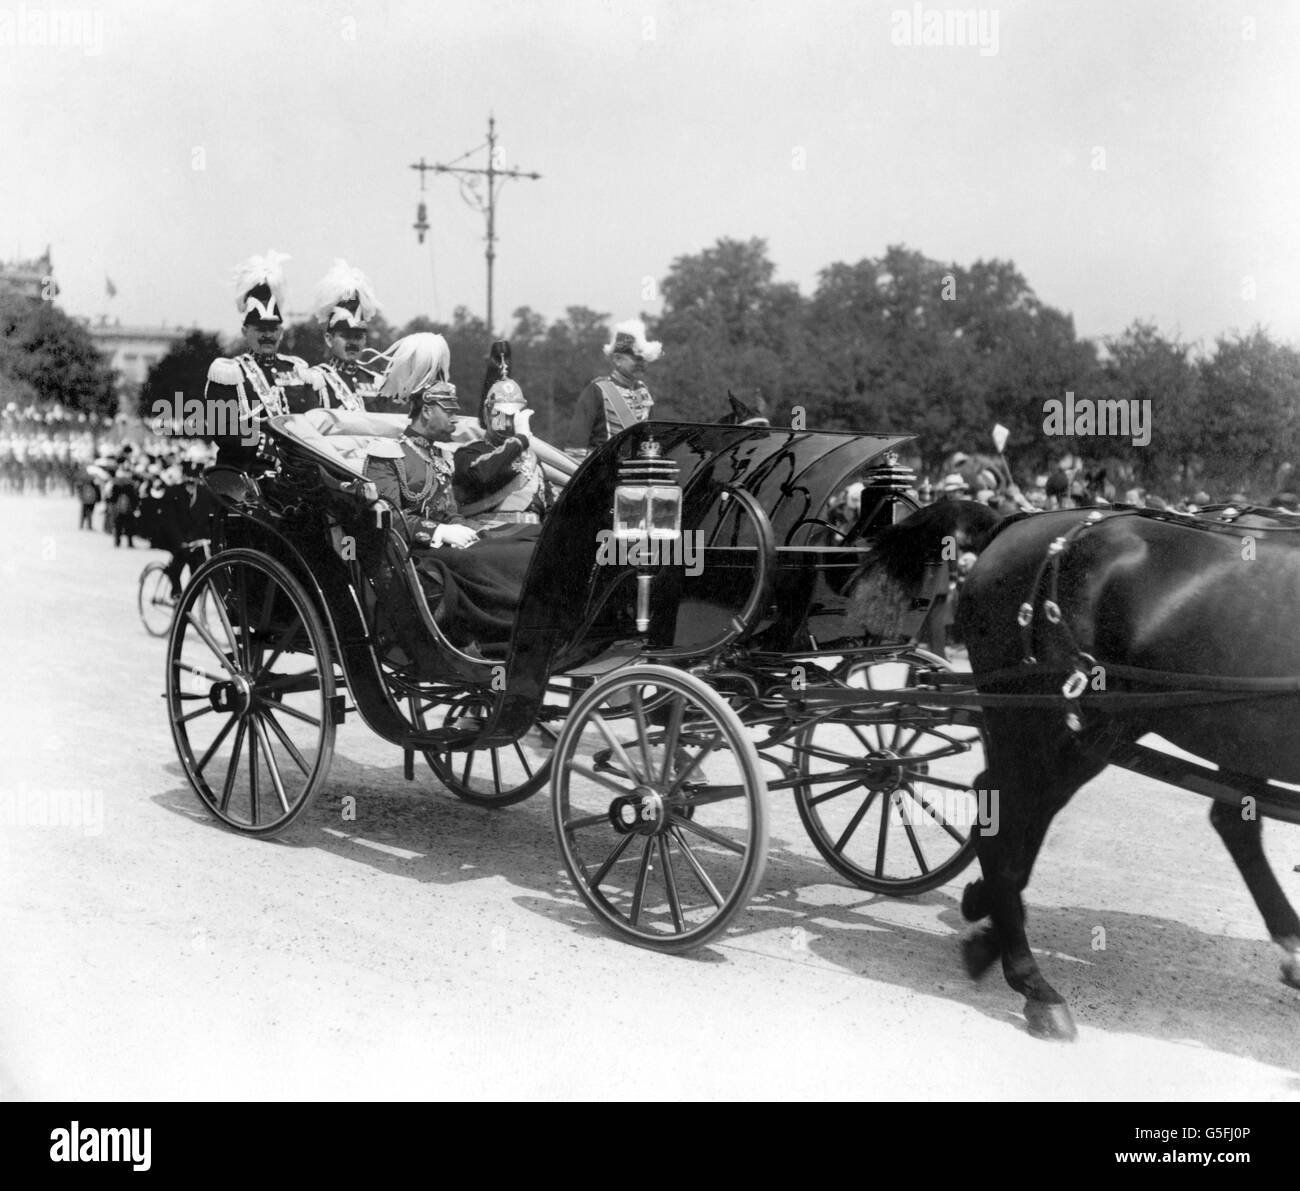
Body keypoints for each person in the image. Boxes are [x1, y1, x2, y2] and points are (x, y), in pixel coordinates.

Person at [361, 335, 538, 647]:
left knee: (525, 543)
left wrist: (460, 528)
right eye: (448, 407)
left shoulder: (439, 457)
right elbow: (388, 519)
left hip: (448, 545)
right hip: (415, 554)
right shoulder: (388, 454)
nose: (456, 414)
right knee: (478, 562)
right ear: (427, 410)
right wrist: (439, 531)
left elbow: (451, 511)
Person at [203, 250, 325, 469]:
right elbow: (224, 432)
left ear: (281, 331)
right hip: (247, 473)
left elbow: (315, 422)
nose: (267, 335)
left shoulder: (298, 371)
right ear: (245, 331)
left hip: (298, 474)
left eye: (272, 328)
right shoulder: (228, 374)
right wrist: (274, 447)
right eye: (260, 328)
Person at [454, 362, 554, 531]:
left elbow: (549, 507)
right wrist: (519, 440)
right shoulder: (469, 452)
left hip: (533, 537)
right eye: (500, 415)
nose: (508, 422)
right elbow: (482, 475)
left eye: (513, 415)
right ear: (487, 414)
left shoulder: (531, 458)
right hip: (492, 537)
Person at [565, 319, 661, 457]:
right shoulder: (597, 390)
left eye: (643, 359)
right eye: (636, 358)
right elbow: (576, 444)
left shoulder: (643, 392)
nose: (641, 363)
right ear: (617, 359)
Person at [309, 259, 383, 412]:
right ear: (329, 339)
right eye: (346, 336)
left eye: (358, 337)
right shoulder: (315, 380)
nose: (353, 343)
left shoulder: (376, 382)